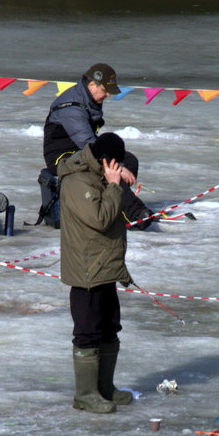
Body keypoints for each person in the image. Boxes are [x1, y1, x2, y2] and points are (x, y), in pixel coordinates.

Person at [57, 132, 138, 414]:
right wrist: (114, 185)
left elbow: (102, 182)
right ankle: (86, 394)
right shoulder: (77, 181)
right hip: (87, 269)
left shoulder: (95, 171)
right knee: (88, 331)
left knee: (109, 327)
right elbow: (100, 218)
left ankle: (105, 388)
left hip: (106, 266)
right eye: (114, 164)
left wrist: (118, 174)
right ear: (104, 161)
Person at [40, 63, 153, 229]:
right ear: (92, 85)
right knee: (108, 167)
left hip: (81, 152)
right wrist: (119, 168)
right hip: (61, 158)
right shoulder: (71, 107)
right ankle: (136, 214)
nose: (108, 95)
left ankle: (116, 206)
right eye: (105, 90)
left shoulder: (87, 99)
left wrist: (121, 163)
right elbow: (88, 143)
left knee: (128, 159)